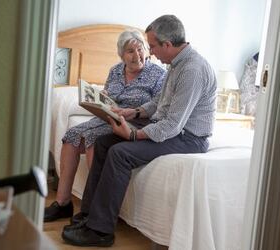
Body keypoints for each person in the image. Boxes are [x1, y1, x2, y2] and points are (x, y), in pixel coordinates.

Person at [61, 15, 217, 247]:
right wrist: (133, 112)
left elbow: (172, 125)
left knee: (120, 153)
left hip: (188, 138)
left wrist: (133, 135)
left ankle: (101, 231)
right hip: (170, 128)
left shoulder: (192, 70)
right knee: (104, 142)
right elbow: (158, 104)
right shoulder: (176, 64)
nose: (150, 53)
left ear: (167, 44)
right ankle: (89, 215)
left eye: (151, 46)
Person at [44, 29, 166, 222]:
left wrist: (132, 111)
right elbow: (108, 94)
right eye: (130, 51)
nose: (137, 55)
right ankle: (62, 203)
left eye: (140, 48)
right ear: (121, 55)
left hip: (134, 122)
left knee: (95, 143)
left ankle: (94, 211)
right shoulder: (115, 70)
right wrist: (102, 101)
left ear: (147, 49)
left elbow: (159, 107)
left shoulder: (158, 74)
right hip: (107, 117)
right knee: (71, 137)